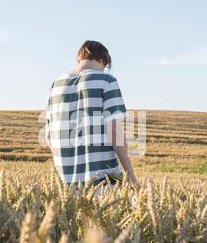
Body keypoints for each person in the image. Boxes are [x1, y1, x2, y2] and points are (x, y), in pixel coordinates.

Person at [45, 40, 138, 189]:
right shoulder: (106, 80)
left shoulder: (55, 85)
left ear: (80, 58)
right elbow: (114, 131)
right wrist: (130, 175)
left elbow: (49, 137)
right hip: (103, 182)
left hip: (65, 184)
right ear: (103, 59)